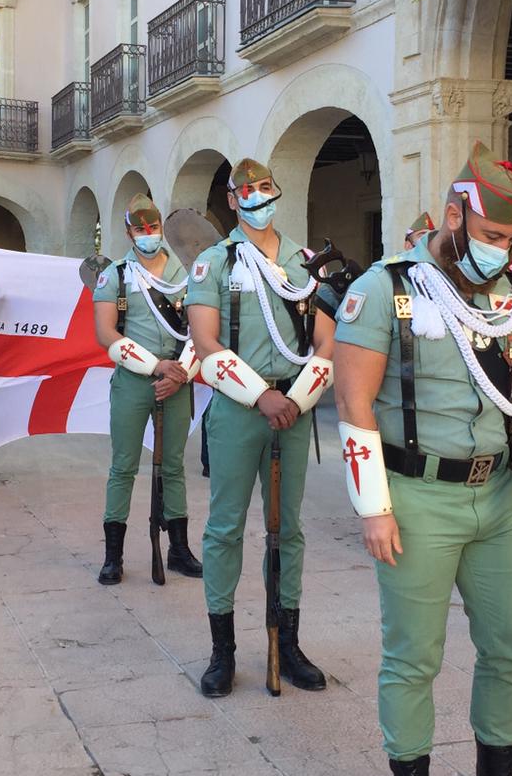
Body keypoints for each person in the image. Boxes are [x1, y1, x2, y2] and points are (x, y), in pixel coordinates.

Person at [333, 141, 512, 776]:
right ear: (460, 212)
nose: (501, 252)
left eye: (511, 241)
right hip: (418, 497)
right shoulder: (388, 287)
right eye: (491, 236)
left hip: (498, 497)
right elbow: (353, 402)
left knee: (508, 650)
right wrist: (373, 508)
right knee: (414, 659)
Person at [187, 157, 335, 697]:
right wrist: (262, 396)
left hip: (293, 407)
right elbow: (206, 343)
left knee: (287, 529)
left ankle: (287, 642)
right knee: (225, 528)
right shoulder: (214, 263)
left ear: (277, 192)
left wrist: (294, 398)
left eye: (264, 187)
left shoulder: (305, 263)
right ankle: (221, 650)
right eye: (244, 190)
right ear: (231, 200)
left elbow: (327, 340)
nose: (255, 196)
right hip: (238, 405)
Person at [91, 193, 203, 584]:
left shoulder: (187, 273)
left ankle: (179, 550)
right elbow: (105, 333)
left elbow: (202, 329)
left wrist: (179, 374)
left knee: (173, 466)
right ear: (129, 232)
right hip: (133, 383)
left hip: (177, 383)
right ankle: (113, 556)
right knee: (123, 467)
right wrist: (156, 367)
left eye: (153, 228)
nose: (148, 235)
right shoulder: (115, 275)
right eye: (140, 229)